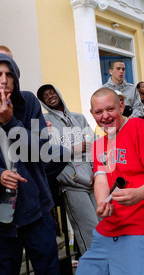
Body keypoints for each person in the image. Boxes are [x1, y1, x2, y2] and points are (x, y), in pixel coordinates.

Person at [0, 53, 61, 275]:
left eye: (10, 74)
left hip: (36, 208)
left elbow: (40, 152)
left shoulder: (28, 103)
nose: (4, 80)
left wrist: (10, 122)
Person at [74, 88, 144, 275]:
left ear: (121, 106)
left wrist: (139, 193)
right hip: (109, 227)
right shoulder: (99, 143)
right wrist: (102, 203)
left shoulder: (137, 127)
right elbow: (100, 178)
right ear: (92, 114)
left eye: (110, 109)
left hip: (141, 226)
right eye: (99, 112)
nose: (105, 116)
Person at [37, 84, 99, 255]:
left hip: (93, 179)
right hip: (72, 182)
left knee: (102, 225)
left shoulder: (79, 118)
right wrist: (73, 148)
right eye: (45, 96)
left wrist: (97, 171)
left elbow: (93, 145)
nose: (50, 96)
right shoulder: (45, 122)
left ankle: (109, 268)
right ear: (43, 102)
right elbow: (49, 153)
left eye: (52, 92)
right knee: (88, 230)